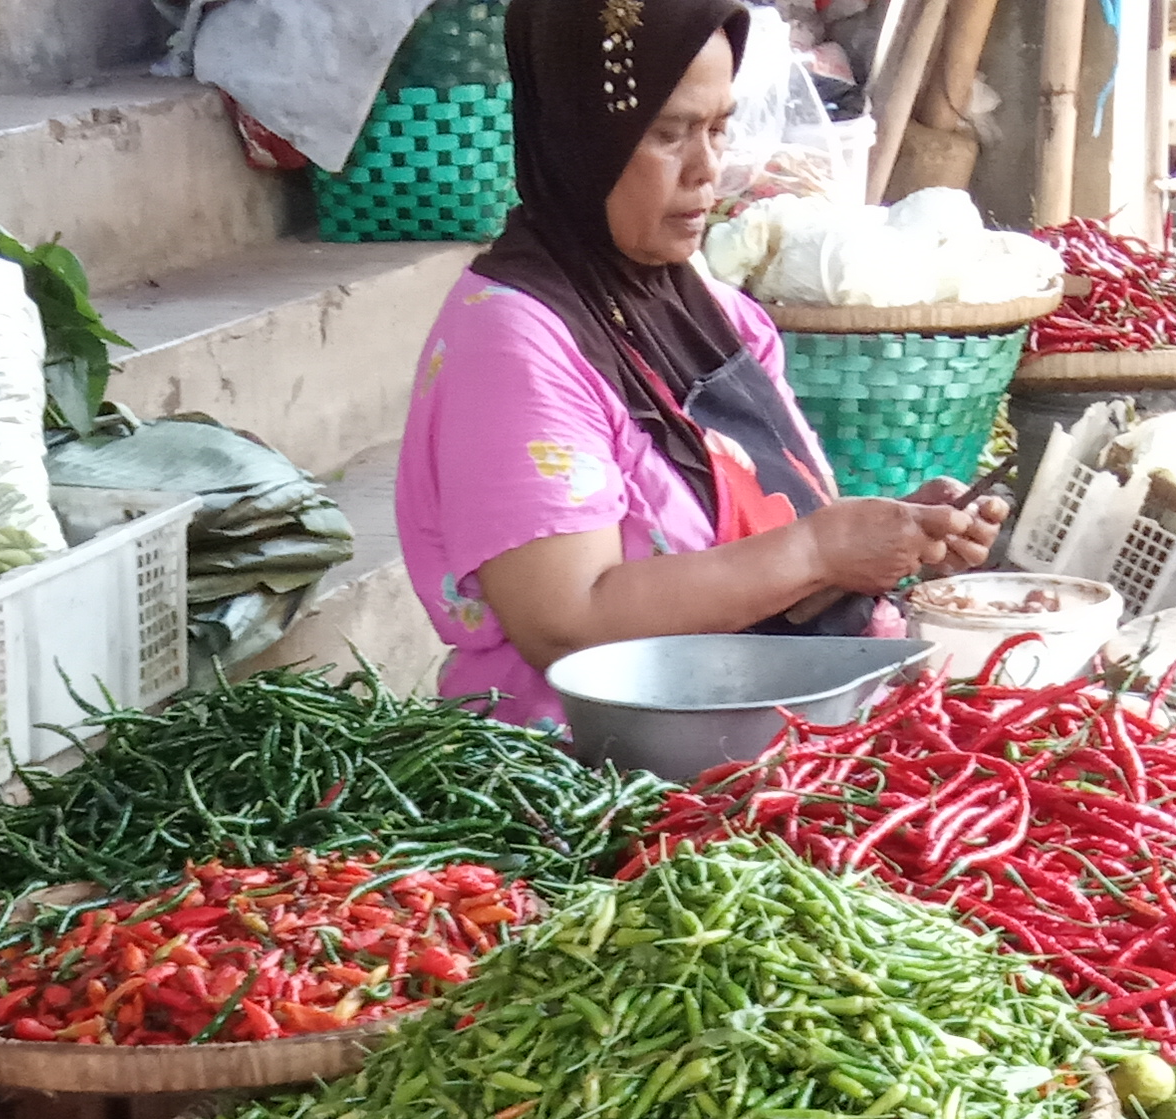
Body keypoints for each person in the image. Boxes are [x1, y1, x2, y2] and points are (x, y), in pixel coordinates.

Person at [392, 0, 996, 725]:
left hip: (764, 725)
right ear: (583, 136)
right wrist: (818, 549)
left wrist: (891, 538)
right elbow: (565, 624)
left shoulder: (709, 310)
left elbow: (763, 541)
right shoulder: (512, 343)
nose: (708, 169)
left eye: (718, 128)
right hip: (612, 762)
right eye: (668, 134)